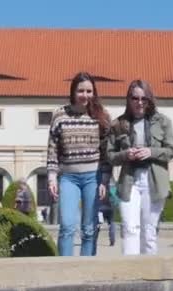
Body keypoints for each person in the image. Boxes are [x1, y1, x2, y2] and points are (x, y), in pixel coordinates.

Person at [107, 79, 173, 256]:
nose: (139, 102)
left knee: (149, 232)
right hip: (129, 181)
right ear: (128, 100)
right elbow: (110, 156)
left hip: (153, 180)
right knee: (130, 228)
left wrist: (150, 152)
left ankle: (149, 275)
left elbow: (170, 151)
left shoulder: (163, 122)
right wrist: (125, 155)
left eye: (143, 98)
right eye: (135, 98)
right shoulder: (118, 124)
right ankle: (131, 274)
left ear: (150, 100)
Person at [47, 72, 111, 257]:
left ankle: (87, 269)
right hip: (68, 177)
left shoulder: (102, 116)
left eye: (89, 91)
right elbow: (52, 147)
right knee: (67, 225)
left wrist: (105, 181)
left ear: (94, 92)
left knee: (89, 228)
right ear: (73, 92)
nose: (85, 95)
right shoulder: (60, 114)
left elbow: (106, 153)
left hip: (93, 176)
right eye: (81, 91)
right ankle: (65, 269)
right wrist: (52, 176)